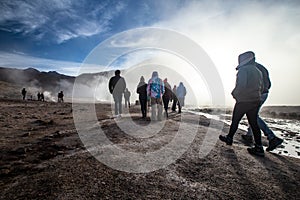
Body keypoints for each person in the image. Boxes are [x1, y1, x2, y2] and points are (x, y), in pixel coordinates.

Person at [219, 51, 265, 157]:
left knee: (235, 120)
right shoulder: (258, 71)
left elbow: (241, 85)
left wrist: (234, 94)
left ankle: (229, 138)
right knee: (254, 123)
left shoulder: (243, 70)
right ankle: (259, 146)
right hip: (255, 100)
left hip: (244, 100)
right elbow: (262, 87)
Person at [241, 58, 283, 151]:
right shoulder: (261, 67)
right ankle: (249, 135)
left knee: (253, 115)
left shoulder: (252, 68)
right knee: (253, 114)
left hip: (258, 94)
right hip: (263, 93)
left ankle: (272, 137)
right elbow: (269, 83)